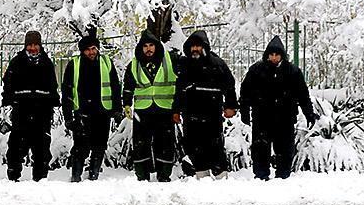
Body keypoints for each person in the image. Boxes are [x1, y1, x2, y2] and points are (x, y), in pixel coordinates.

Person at [239, 35, 317, 180]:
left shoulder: (292, 72)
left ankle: (283, 176)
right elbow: (245, 92)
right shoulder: (256, 70)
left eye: (277, 55)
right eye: (271, 54)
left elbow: (303, 95)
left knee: (285, 149)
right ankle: (261, 176)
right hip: (262, 117)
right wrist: (245, 111)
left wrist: (309, 114)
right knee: (260, 148)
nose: (274, 58)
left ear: (282, 55)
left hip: (285, 117)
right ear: (267, 55)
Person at [174, 30, 238, 178]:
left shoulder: (217, 64)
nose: (195, 49)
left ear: (204, 47)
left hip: (212, 115)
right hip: (191, 116)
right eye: (193, 46)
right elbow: (179, 90)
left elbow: (229, 86)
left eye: (198, 46)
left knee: (215, 148)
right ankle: (202, 179)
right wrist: (175, 110)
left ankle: (221, 178)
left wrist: (230, 106)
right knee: (194, 148)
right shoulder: (185, 65)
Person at [60, 31, 122, 181]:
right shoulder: (74, 65)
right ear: (82, 51)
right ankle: (76, 176)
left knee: (100, 146)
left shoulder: (106, 62)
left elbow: (115, 86)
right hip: (82, 112)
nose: (91, 52)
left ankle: (94, 175)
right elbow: (66, 92)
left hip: (103, 111)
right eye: (87, 49)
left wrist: (117, 109)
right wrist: (68, 116)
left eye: (94, 48)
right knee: (80, 146)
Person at [1, 31, 59, 181]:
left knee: (42, 147)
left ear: (40, 45)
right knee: (16, 146)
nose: (33, 48)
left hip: (42, 112)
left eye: (35, 45)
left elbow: (53, 86)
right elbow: (7, 84)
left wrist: (53, 101)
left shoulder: (47, 63)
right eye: (30, 45)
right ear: (26, 45)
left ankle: (40, 179)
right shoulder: (16, 62)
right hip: (21, 111)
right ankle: (13, 176)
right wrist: (9, 101)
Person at [122, 31, 179, 182]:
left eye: (151, 45)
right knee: (140, 145)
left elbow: (181, 81)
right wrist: (126, 103)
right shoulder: (134, 63)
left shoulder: (171, 59)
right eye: (145, 46)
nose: (148, 49)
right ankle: (142, 176)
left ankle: (164, 175)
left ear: (157, 46)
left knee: (165, 143)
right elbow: (128, 85)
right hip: (143, 110)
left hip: (165, 109)